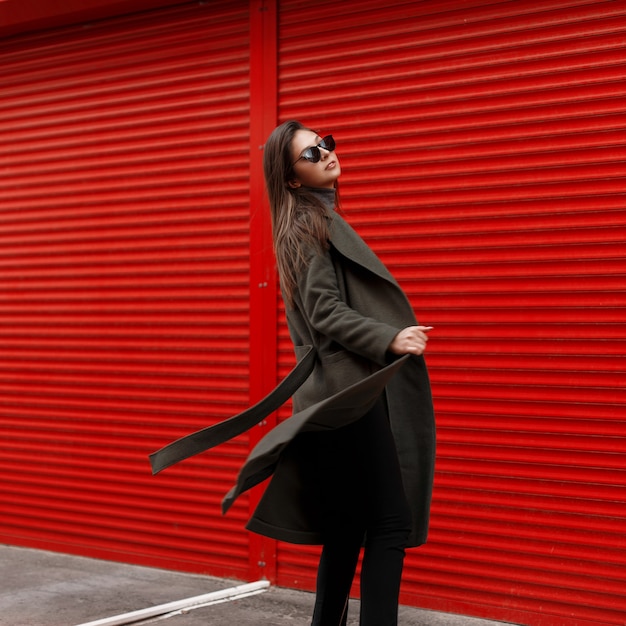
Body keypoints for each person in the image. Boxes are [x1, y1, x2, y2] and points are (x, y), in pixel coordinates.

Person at [259, 120, 436, 626]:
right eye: (310, 154)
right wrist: (389, 336)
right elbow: (324, 312)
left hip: (340, 393)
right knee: (389, 524)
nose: (325, 153)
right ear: (291, 179)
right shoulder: (306, 226)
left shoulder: (315, 219)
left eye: (324, 144)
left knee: (348, 526)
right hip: (348, 393)